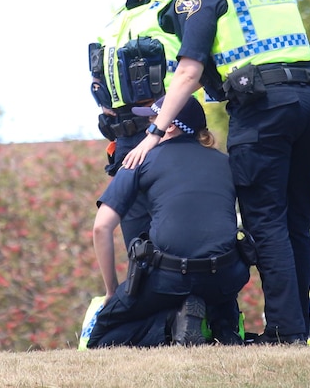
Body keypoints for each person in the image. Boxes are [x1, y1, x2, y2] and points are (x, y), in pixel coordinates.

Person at [122, 0, 310, 345]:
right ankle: (299, 327)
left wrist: (155, 130)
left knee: (265, 221)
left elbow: (188, 71)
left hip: (265, 113)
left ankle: (284, 331)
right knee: (297, 222)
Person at [86, 95, 250, 348]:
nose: (148, 127)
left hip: (170, 277)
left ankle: (172, 322)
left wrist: (112, 291)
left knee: (103, 338)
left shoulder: (138, 159)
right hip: (225, 275)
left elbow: (101, 227)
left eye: (152, 120)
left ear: (169, 125)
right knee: (214, 286)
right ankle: (222, 326)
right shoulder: (226, 161)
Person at [89, 0, 198, 246]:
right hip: (125, 142)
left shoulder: (178, 4)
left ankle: (190, 296)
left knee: (175, 234)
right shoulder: (116, 20)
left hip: (166, 133)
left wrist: (173, 118)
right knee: (138, 243)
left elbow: (204, 66)